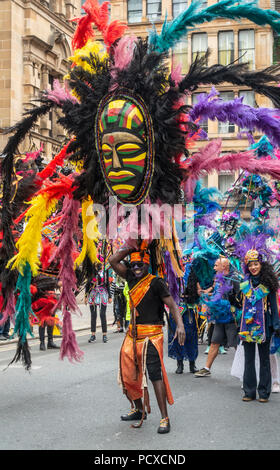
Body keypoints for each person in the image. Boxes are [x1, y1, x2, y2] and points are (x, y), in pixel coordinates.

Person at [109, 245, 185, 434]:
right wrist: (131, 243)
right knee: (128, 374)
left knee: (154, 375)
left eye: (140, 264)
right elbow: (112, 260)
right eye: (133, 264)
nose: (136, 268)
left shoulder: (156, 283)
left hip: (152, 335)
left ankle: (164, 418)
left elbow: (173, 306)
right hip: (132, 335)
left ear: (147, 264)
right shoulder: (130, 277)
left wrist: (181, 326)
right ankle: (139, 409)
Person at [238, 250, 280, 402]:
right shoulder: (244, 284)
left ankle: (264, 392)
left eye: (256, 264)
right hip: (247, 326)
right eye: (250, 265)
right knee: (248, 359)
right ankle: (249, 391)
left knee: (264, 360)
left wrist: (276, 325)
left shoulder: (268, 284)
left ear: (261, 265)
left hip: (265, 326)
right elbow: (240, 305)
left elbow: (274, 306)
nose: (253, 267)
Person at [194, 256, 241, 378]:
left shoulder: (234, 278)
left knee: (236, 345)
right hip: (220, 318)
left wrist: (232, 306)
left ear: (224, 266)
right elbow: (217, 294)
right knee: (215, 341)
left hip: (231, 318)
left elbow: (240, 297)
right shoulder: (218, 279)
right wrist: (208, 297)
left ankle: (244, 371)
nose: (214, 267)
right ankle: (206, 368)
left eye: (216, 265)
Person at [168, 268, 199, 374]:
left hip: (189, 308)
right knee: (176, 336)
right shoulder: (170, 269)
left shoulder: (191, 268)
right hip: (175, 307)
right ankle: (179, 363)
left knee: (191, 336)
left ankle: (192, 363)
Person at [85, 264, 112, 344]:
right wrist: (86, 295)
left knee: (102, 314)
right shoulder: (91, 273)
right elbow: (88, 284)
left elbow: (107, 284)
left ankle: (104, 335)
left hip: (103, 293)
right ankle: (93, 335)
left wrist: (110, 296)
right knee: (93, 315)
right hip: (93, 294)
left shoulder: (105, 272)